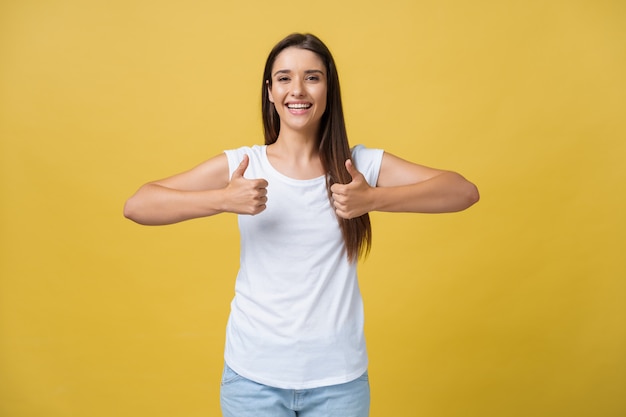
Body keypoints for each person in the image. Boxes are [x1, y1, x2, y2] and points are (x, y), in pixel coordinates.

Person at [124, 33, 479, 417]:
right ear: (270, 91)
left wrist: (374, 199)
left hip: (338, 382)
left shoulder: (358, 165)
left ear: (329, 89)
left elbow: (462, 191)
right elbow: (138, 204)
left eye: (312, 77)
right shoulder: (244, 165)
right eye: (284, 78)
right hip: (252, 381)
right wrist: (222, 200)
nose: (298, 90)